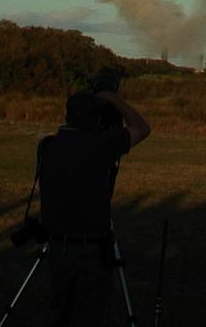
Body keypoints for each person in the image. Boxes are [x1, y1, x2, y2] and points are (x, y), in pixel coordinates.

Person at [34, 81, 150, 326]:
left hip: (56, 246)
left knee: (59, 312)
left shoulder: (47, 146)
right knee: (90, 315)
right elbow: (141, 128)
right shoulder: (102, 145)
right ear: (96, 120)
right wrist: (115, 100)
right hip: (90, 249)